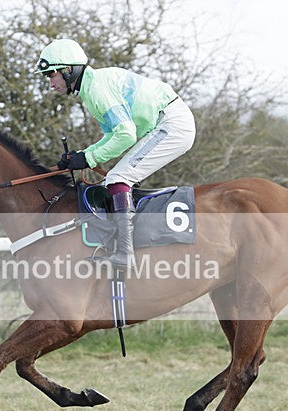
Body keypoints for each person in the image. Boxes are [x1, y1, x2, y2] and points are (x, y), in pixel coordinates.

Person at [36, 38, 196, 268]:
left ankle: (125, 253)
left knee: (118, 177)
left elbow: (126, 136)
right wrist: (82, 155)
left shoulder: (97, 89)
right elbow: (113, 136)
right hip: (166, 121)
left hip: (172, 124)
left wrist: (88, 158)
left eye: (51, 75)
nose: (50, 83)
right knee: (117, 177)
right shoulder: (91, 88)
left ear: (68, 70)